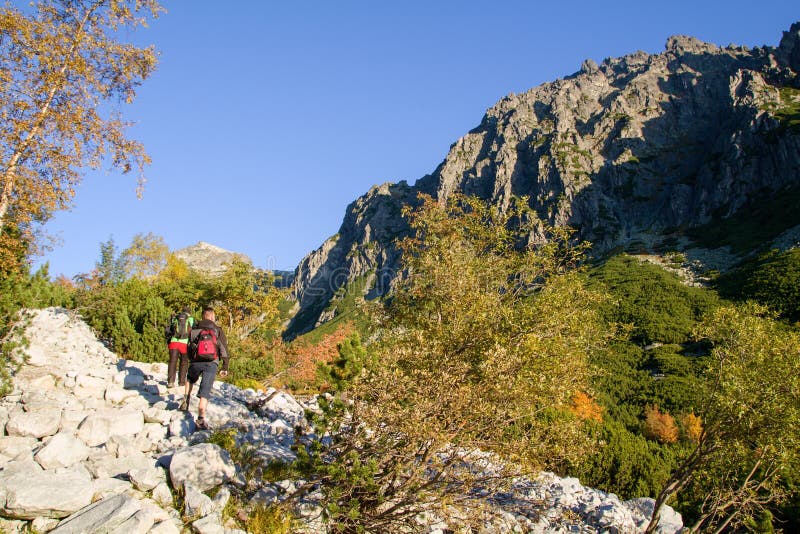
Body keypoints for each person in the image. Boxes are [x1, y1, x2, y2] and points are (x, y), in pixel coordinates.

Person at [180, 306, 229, 430]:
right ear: (212, 317)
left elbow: (189, 347)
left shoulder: (195, 329)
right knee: (205, 390)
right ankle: (201, 418)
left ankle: (186, 399)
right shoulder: (217, 330)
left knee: (190, 378)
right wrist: (225, 366)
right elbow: (223, 348)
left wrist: (190, 360)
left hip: (196, 361)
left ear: (203, 316)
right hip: (211, 362)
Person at [166, 306, 194, 388]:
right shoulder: (191, 319)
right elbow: (193, 331)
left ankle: (170, 382)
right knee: (184, 362)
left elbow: (169, 330)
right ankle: (181, 382)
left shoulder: (176, 318)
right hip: (184, 343)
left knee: (172, 362)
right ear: (189, 312)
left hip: (174, 342)